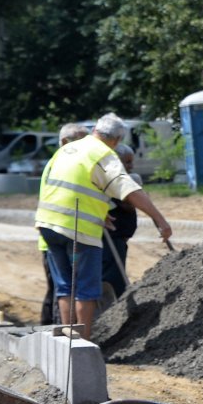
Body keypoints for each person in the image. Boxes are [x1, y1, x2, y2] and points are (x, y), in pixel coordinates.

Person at [35, 114, 172, 339]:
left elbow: (67, 185)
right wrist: (160, 220)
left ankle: (66, 340)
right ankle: (83, 343)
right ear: (117, 139)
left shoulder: (68, 149)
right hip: (77, 228)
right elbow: (129, 190)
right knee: (86, 289)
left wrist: (100, 213)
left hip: (47, 225)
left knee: (64, 286)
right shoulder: (104, 154)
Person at [38, 122, 91, 328]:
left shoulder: (60, 164)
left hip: (61, 232)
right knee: (60, 289)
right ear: (63, 142)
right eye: (77, 142)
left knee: (62, 288)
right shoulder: (58, 165)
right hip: (55, 235)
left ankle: (56, 331)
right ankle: (54, 332)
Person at [99, 143, 139, 302]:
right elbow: (128, 204)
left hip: (119, 239)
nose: (131, 166)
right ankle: (116, 307)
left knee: (118, 273)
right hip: (110, 239)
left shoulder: (124, 180)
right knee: (113, 277)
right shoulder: (110, 183)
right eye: (127, 162)